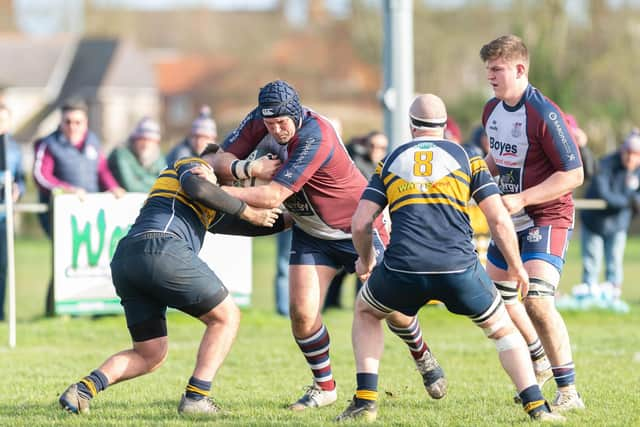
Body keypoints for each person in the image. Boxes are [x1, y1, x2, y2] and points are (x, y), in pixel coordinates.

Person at [336, 94, 563, 423]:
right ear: (444, 127)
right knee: (504, 331)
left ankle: (365, 401)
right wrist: (516, 267)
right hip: (459, 269)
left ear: (412, 127)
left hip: (403, 268)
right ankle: (537, 408)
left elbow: (360, 222)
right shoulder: (468, 159)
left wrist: (365, 261)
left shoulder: (391, 161)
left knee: (366, 310)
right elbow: (498, 219)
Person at [210, 80, 400, 411]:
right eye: (270, 124)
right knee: (301, 313)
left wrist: (217, 193)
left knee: (392, 310)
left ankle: (422, 354)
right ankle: (325, 387)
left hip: (356, 227)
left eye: (282, 122)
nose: (276, 129)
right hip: (312, 230)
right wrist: (247, 167)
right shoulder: (261, 118)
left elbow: (271, 197)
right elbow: (217, 159)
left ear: (297, 114)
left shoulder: (316, 135)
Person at [58, 144, 284, 416]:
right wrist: (248, 210)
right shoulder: (191, 164)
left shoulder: (209, 199)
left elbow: (251, 224)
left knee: (150, 353)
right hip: (162, 248)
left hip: (127, 259)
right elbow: (201, 188)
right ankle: (196, 398)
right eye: (229, 165)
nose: (234, 174)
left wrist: (300, 218)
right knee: (226, 317)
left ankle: (82, 390)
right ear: (215, 156)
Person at [480, 34, 585, 411]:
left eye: (497, 69)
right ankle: (537, 356)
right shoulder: (491, 109)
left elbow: (573, 174)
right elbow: (497, 158)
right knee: (495, 298)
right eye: (488, 69)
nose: (490, 76)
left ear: (520, 68)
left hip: (547, 215)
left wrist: (522, 198)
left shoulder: (545, 114)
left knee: (538, 300)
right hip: (510, 219)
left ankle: (569, 392)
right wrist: (471, 174)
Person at [33, 100, 125, 317]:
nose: (72, 126)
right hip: (60, 214)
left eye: (77, 122)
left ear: (85, 123)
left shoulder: (93, 142)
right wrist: (66, 190)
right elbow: (41, 176)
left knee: (93, 260)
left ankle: (96, 307)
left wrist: (113, 187)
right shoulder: (48, 144)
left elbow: (101, 171)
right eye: (68, 122)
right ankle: (56, 310)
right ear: (61, 122)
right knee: (64, 261)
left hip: (91, 214)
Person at [324, 130, 389, 310]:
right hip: (351, 223)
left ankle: (361, 302)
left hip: (373, 224)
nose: (377, 150)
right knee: (348, 267)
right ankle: (333, 303)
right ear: (365, 146)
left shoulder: (384, 167)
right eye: (373, 146)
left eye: (382, 147)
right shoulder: (357, 165)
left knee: (364, 266)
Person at [579, 129, 640, 300]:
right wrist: (629, 202)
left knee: (615, 263)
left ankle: (613, 298)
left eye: (635, 154)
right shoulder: (605, 164)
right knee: (592, 262)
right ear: (622, 150)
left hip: (619, 223)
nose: (630, 158)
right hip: (595, 222)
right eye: (628, 153)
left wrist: (635, 200)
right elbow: (603, 193)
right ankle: (589, 296)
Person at [0, 103, 25, 322]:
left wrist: (18, 190)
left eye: (3, 120)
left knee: (2, 266)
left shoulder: (14, 150)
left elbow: (21, 180)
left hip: (3, 217)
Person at [108, 117, 166, 192]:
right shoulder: (121, 153)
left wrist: (140, 179)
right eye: (142, 139)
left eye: (150, 140)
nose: (146, 144)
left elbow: (165, 184)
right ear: (134, 139)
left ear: (157, 142)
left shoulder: (158, 156)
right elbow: (131, 186)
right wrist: (153, 181)